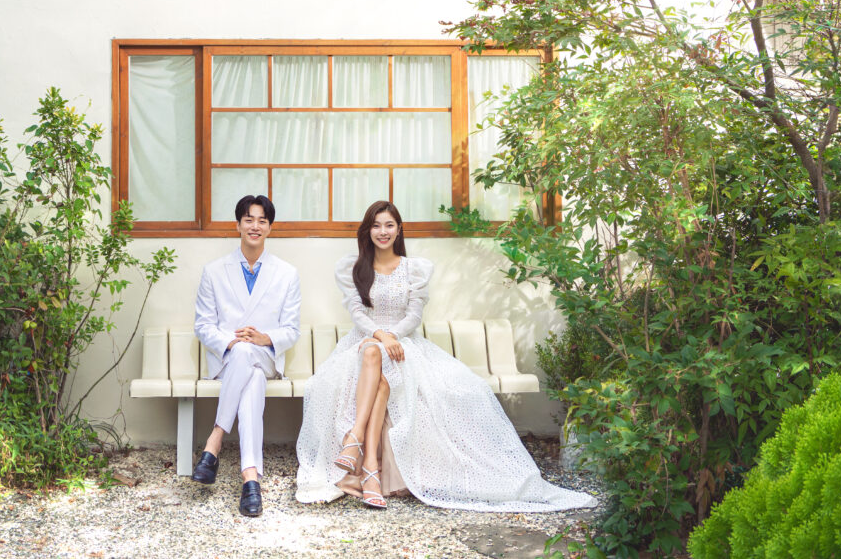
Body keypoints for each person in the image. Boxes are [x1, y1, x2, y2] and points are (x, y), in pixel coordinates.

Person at [294, 199, 597, 512]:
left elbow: (414, 315)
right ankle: (369, 465)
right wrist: (381, 336)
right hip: (365, 340)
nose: (382, 231)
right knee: (371, 353)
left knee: (392, 380)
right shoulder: (353, 268)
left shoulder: (414, 269)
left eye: (389, 225)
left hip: (403, 344)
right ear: (367, 230)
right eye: (376, 225)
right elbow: (357, 313)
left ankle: (356, 444)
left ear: (398, 229)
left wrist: (393, 337)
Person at [191, 194, 302, 517]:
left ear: (270, 228)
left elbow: (291, 330)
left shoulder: (287, 273)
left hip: (266, 356)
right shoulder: (214, 271)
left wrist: (265, 337)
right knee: (248, 372)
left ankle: (215, 441)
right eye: (249, 219)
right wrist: (230, 342)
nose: (255, 226)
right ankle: (250, 479)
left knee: (250, 356)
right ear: (238, 225)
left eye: (262, 221)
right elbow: (203, 325)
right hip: (229, 359)